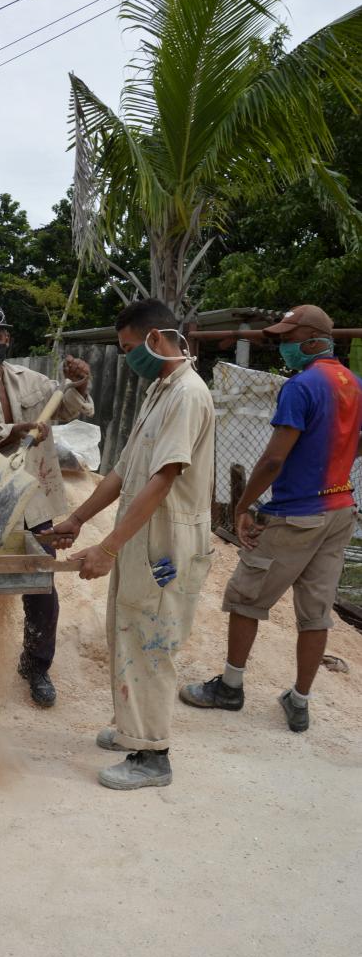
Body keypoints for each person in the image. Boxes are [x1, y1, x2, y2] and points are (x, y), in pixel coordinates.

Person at [47, 299, 215, 790]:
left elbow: (163, 478)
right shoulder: (160, 390)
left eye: (127, 348)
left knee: (152, 640)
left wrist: (108, 548)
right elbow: (123, 470)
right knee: (129, 631)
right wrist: (78, 519)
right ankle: (132, 730)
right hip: (144, 535)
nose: (126, 358)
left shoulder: (187, 395)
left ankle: (152, 755)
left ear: (155, 339)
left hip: (167, 541)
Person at [180, 304, 362, 733]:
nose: (283, 347)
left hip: (296, 514)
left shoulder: (301, 386)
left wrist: (243, 505)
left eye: (288, 339)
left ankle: (230, 688)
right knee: (315, 612)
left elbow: (273, 459)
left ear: (314, 342)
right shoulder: (353, 383)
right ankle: (299, 700)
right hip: (340, 510)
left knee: (246, 596)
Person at [0, 305, 94, 707]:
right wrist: (14, 430)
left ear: (7, 338)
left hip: (34, 499)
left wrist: (79, 385)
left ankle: (36, 667)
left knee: (41, 588)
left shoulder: (30, 380)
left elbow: (66, 407)